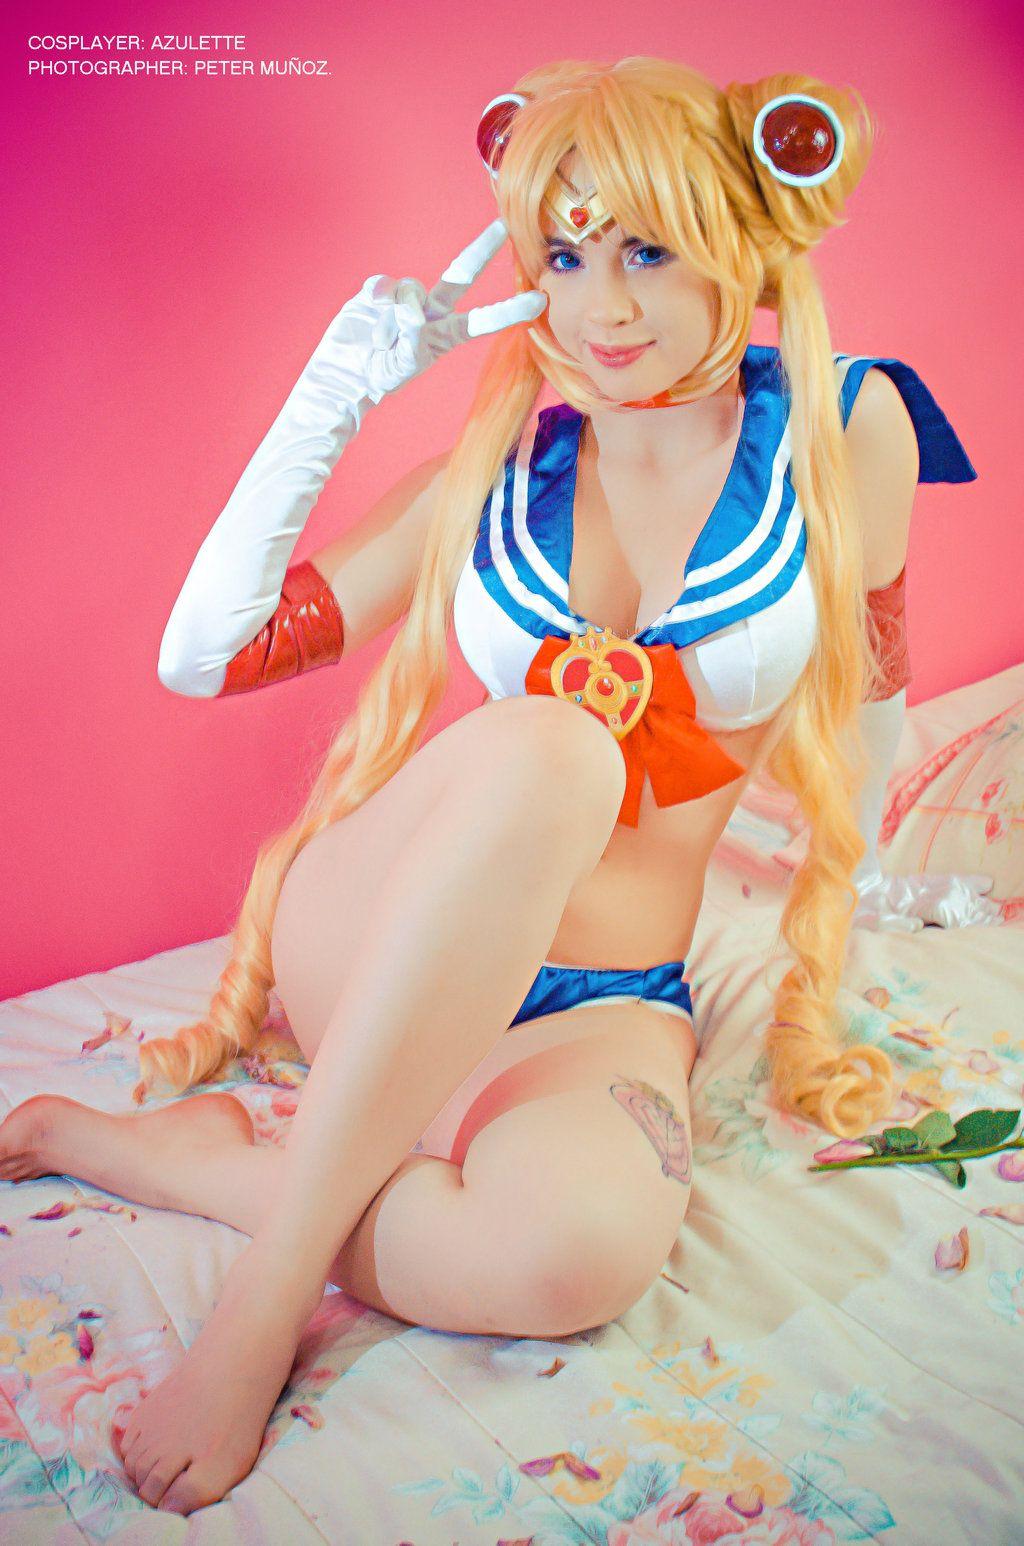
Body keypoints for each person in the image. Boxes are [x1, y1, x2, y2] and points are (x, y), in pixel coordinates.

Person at [0, 56, 1001, 1515]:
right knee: (558, 745)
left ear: (741, 231)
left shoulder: (848, 430)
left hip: (607, 995)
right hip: (379, 936)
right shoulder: (498, 470)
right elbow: (202, 658)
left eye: (646, 251)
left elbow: (876, 697)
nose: (599, 308)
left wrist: (868, 887)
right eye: (565, 255)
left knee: (571, 1257)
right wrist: (334, 396)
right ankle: (264, 1299)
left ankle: (181, 1162)